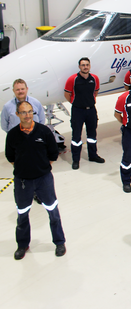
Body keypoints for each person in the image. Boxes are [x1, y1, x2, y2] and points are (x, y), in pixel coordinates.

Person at [5, 101, 66, 260]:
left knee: (53, 211)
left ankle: (59, 242)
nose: (28, 115)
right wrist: (25, 169)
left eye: (30, 111)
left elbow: (53, 153)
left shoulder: (44, 131)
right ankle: (22, 245)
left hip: (43, 180)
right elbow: (10, 156)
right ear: (17, 114)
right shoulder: (13, 135)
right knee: (22, 214)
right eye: (24, 112)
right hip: (23, 182)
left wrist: (41, 168)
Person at [64, 57, 105, 170]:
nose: (85, 67)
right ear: (79, 67)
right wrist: (76, 103)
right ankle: (76, 160)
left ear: (89, 66)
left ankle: (93, 155)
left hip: (91, 110)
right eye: (83, 65)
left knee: (92, 135)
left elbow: (95, 92)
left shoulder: (94, 78)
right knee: (76, 136)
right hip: (78, 111)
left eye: (87, 65)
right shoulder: (73, 79)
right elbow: (67, 94)